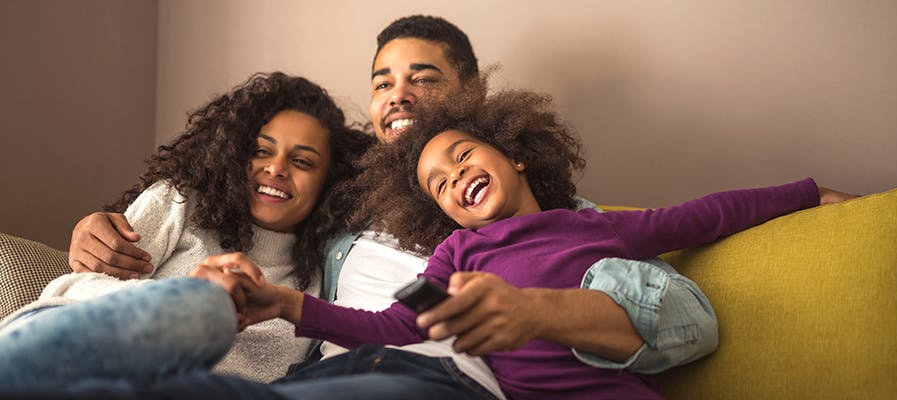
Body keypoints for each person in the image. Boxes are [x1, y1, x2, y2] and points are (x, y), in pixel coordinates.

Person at [58, 15, 723, 398]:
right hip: (335, 373)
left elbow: (687, 324)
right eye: (382, 83)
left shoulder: (537, 213)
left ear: (472, 95)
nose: (397, 96)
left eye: (423, 79)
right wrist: (101, 221)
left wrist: (532, 311)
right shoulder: (340, 190)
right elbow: (237, 176)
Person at [216, 88, 859, 400]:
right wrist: (285, 304)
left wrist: (809, 192)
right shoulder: (458, 258)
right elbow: (391, 324)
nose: (455, 177)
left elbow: (708, 214)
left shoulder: (590, 226)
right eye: (437, 184)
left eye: (463, 156)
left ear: (516, 156)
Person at [0, 72, 373, 389]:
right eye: (261, 151)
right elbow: (72, 287)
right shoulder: (183, 201)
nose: (275, 168)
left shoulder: (321, 274)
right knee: (207, 305)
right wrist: (190, 300)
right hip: (64, 347)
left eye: (302, 161)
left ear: (330, 182)